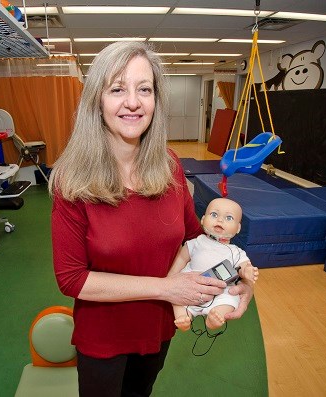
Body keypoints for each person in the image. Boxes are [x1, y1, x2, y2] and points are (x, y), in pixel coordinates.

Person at [48, 41, 254, 397]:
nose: (133, 102)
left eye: (144, 89)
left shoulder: (170, 166)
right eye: (117, 89)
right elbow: (71, 279)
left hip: (160, 326)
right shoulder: (73, 180)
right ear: (97, 100)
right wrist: (164, 288)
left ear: (156, 99)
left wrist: (238, 283)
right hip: (103, 336)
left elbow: (194, 239)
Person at [169, 198, 259, 331]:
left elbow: (243, 266)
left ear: (238, 228)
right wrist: (170, 277)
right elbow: (181, 259)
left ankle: (215, 316)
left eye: (228, 218)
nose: (220, 220)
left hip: (220, 293)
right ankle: (183, 317)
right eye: (214, 215)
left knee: (231, 300)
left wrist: (247, 271)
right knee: (175, 297)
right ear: (203, 219)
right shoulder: (196, 242)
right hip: (189, 287)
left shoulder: (236, 252)